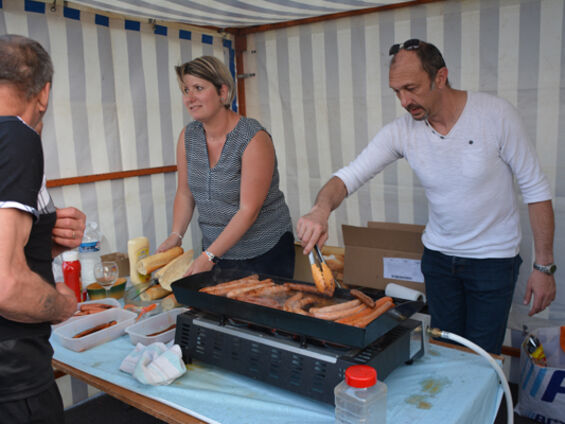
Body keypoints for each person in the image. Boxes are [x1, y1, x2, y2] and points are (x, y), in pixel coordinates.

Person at [297, 39, 556, 354]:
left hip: (493, 262)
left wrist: (543, 268)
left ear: (441, 77)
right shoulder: (402, 131)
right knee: (443, 351)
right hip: (438, 262)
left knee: (482, 360)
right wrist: (320, 210)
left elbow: (536, 190)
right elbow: (349, 176)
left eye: (412, 88)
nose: (405, 101)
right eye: (397, 92)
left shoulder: (496, 115)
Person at [0, 34, 86, 423]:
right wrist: (62, 304)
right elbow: (8, 285)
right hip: (14, 378)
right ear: (44, 92)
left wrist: (42, 244)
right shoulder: (17, 136)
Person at [158, 56, 294, 278]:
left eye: (198, 88)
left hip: (264, 251)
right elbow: (185, 193)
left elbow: (248, 211)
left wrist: (209, 256)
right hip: (215, 253)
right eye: (185, 90)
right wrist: (176, 235)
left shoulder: (253, 137)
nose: (190, 98)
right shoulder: (188, 136)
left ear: (223, 92)